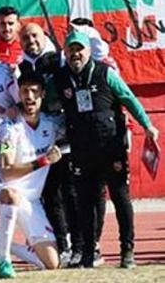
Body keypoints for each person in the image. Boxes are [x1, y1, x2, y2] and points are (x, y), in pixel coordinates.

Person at [53, 29, 160, 269]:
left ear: (89, 51)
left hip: (111, 148)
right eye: (71, 49)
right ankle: (89, 253)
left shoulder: (105, 73)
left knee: (120, 198)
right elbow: (44, 101)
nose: (75, 54)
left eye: (79, 49)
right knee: (85, 203)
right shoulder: (60, 79)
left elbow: (129, 98)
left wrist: (147, 125)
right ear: (65, 53)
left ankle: (127, 250)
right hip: (81, 150)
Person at [0, 74, 64, 278]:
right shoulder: (8, 128)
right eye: (25, 91)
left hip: (31, 199)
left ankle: (0, 243)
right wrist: (42, 161)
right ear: (19, 94)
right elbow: (6, 170)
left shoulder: (52, 124)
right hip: (0, 190)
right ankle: (4, 260)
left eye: (34, 91)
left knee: (52, 263)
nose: (29, 96)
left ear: (42, 94)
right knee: (12, 195)